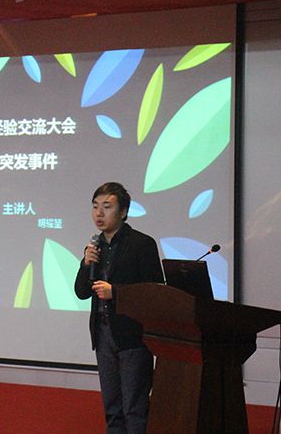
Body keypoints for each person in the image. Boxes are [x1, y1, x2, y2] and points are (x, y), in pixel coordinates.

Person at [74, 182, 164, 434]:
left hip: (132, 336)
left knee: (134, 407)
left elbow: (154, 292)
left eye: (107, 207)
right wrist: (85, 264)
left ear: (123, 212)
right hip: (103, 334)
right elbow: (81, 292)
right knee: (112, 407)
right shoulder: (95, 247)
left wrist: (117, 292)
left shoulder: (141, 244)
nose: (99, 214)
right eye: (95, 207)